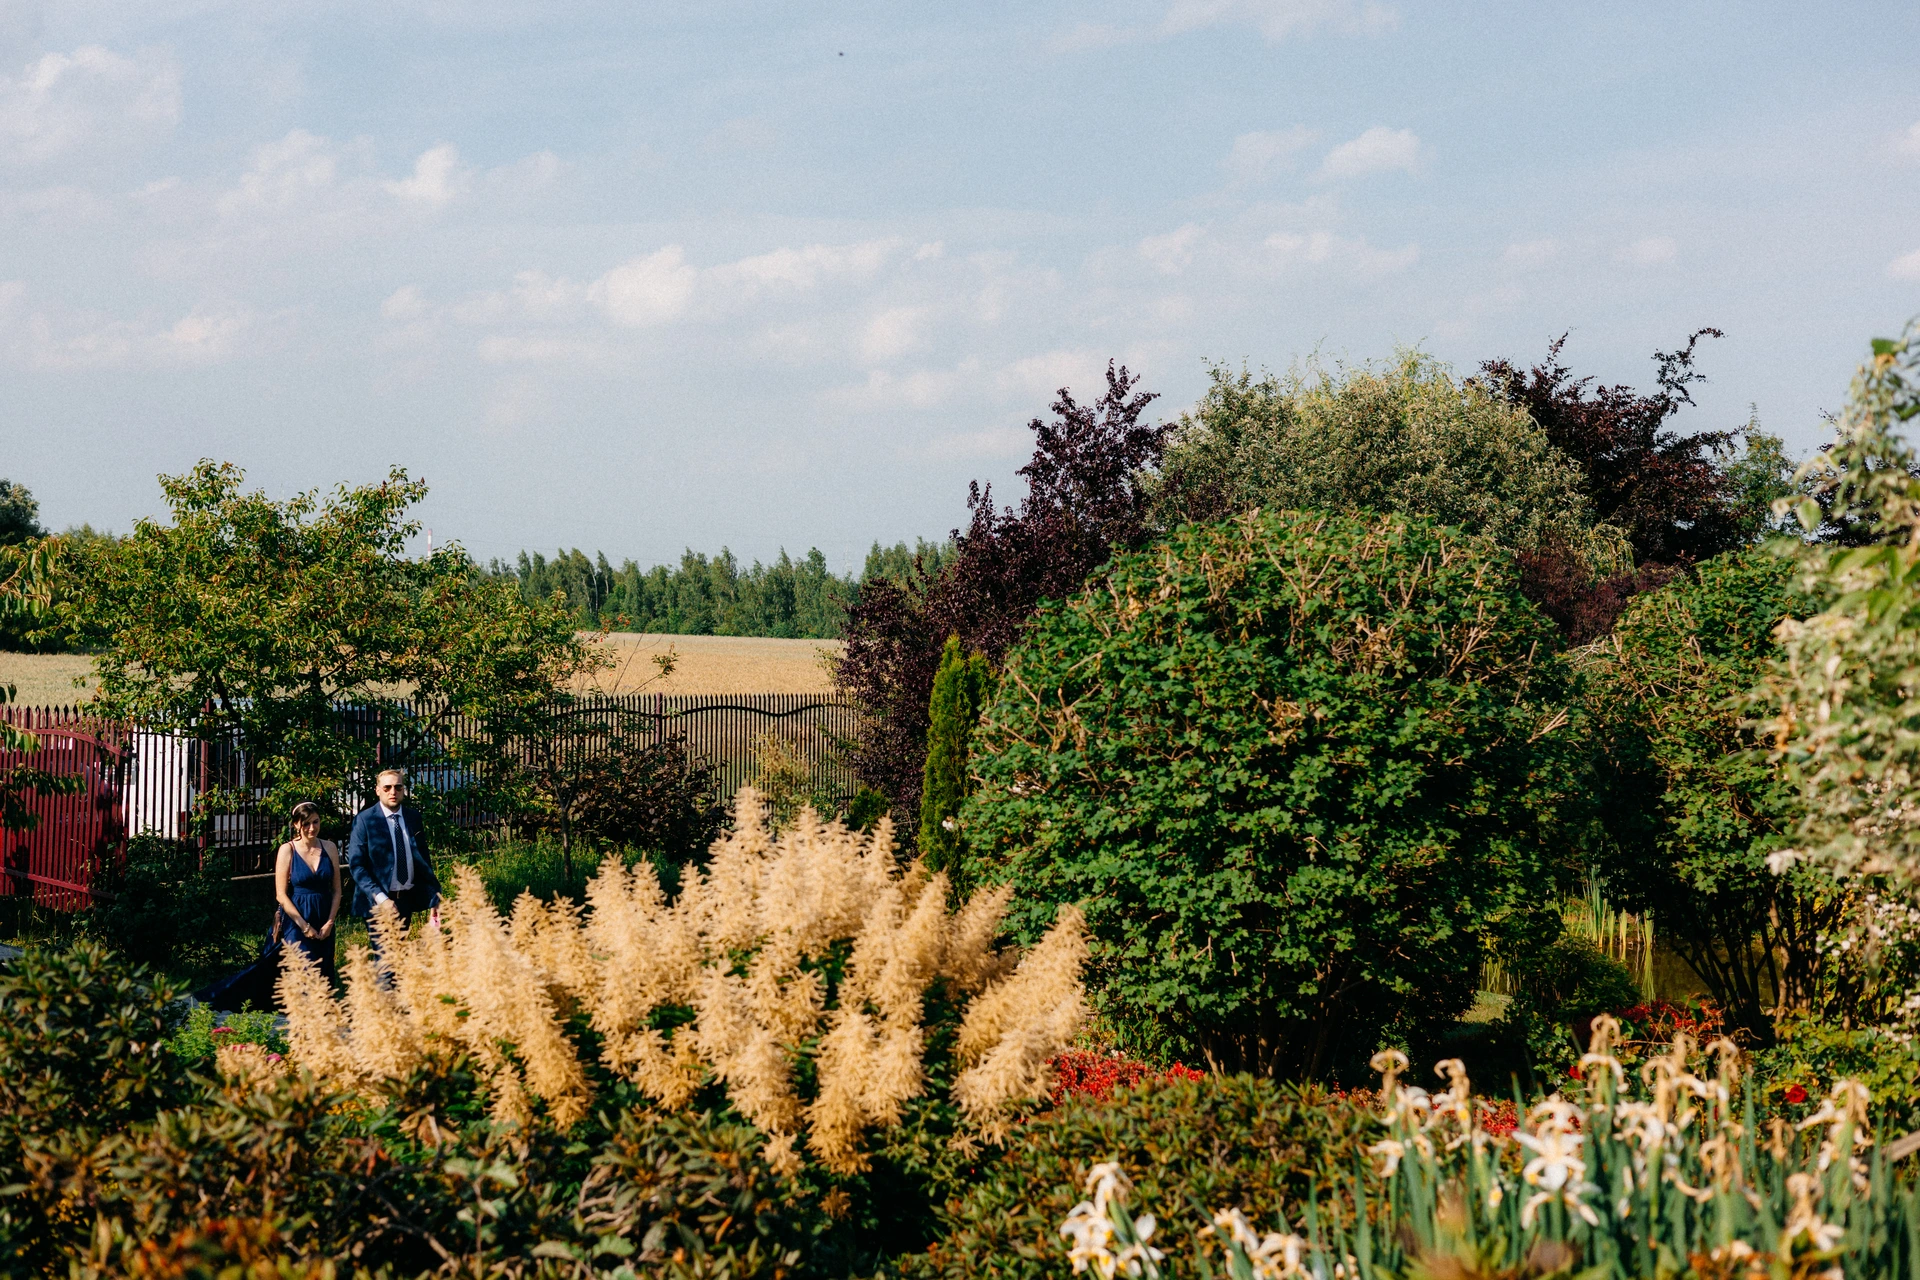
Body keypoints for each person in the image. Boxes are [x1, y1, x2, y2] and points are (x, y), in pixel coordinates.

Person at [347, 767, 441, 946]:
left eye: (398, 787)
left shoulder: (413, 817)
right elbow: (357, 866)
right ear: (377, 790)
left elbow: (423, 859)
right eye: (387, 787)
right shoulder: (365, 820)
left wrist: (434, 895)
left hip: (406, 899)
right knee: (386, 962)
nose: (393, 792)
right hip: (379, 902)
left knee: (398, 959)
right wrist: (382, 899)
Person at [275, 800, 342, 981]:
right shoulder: (287, 850)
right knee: (303, 968)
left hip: (324, 914)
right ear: (296, 824)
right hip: (297, 916)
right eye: (306, 823)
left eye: (316, 822)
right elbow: (280, 894)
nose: (312, 828)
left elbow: (337, 890)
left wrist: (330, 922)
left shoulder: (330, 848)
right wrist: (304, 926)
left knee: (323, 968)